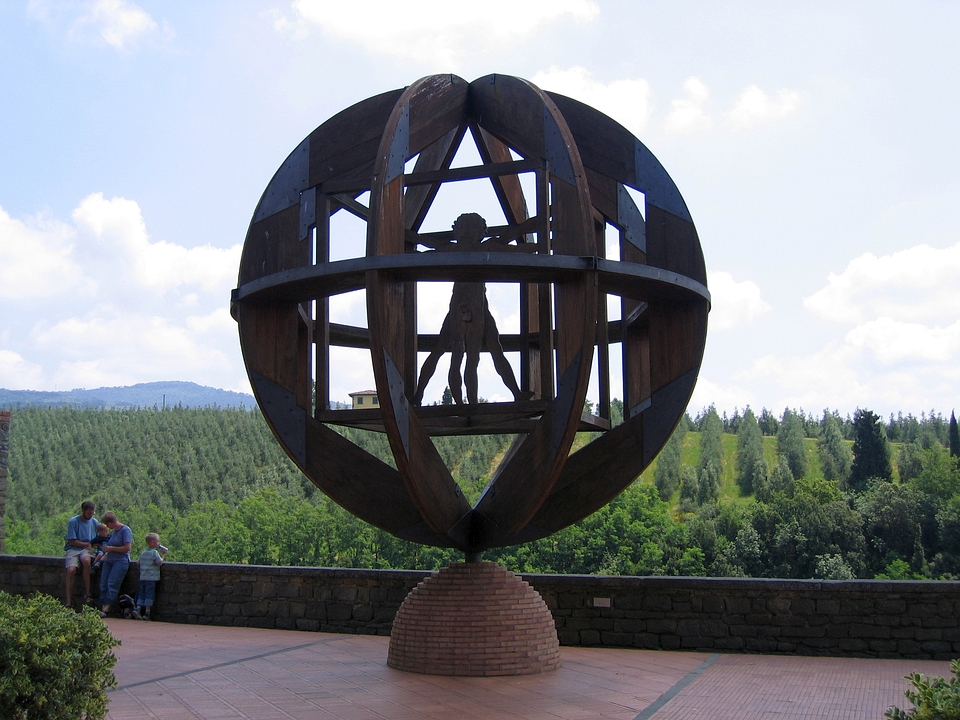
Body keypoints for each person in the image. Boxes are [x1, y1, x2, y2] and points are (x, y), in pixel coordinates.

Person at [413, 213, 534, 406]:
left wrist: (412, 241)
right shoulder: (482, 247)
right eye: (465, 228)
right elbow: (516, 249)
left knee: (459, 355)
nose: (467, 233)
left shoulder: (456, 249)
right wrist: (539, 245)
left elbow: (427, 248)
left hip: (472, 307)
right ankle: (460, 402)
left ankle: (433, 397)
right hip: (469, 306)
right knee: (467, 356)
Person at [98, 511, 132, 617]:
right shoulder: (115, 532)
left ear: (110, 523)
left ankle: (106, 608)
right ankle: (102, 605)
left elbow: (127, 547)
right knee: (103, 583)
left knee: (112, 583)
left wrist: (112, 548)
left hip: (120, 561)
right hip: (109, 560)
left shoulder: (125, 530)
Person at [64, 500, 98, 608]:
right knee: (71, 570)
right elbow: (71, 541)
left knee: (86, 561)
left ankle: (87, 593)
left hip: (87, 549)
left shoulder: (94, 522)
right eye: (88, 513)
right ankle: (68, 601)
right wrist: (87, 544)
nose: (90, 515)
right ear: (83, 511)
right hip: (73, 548)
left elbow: (98, 539)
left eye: (92, 513)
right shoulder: (73, 521)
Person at [135, 533, 167, 620]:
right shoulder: (154, 553)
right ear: (153, 542)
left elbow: (138, 562)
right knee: (149, 594)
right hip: (151, 577)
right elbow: (159, 562)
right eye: (158, 541)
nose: (159, 543)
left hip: (143, 577)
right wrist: (163, 554)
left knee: (141, 593)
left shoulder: (143, 553)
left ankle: (138, 609)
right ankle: (147, 613)